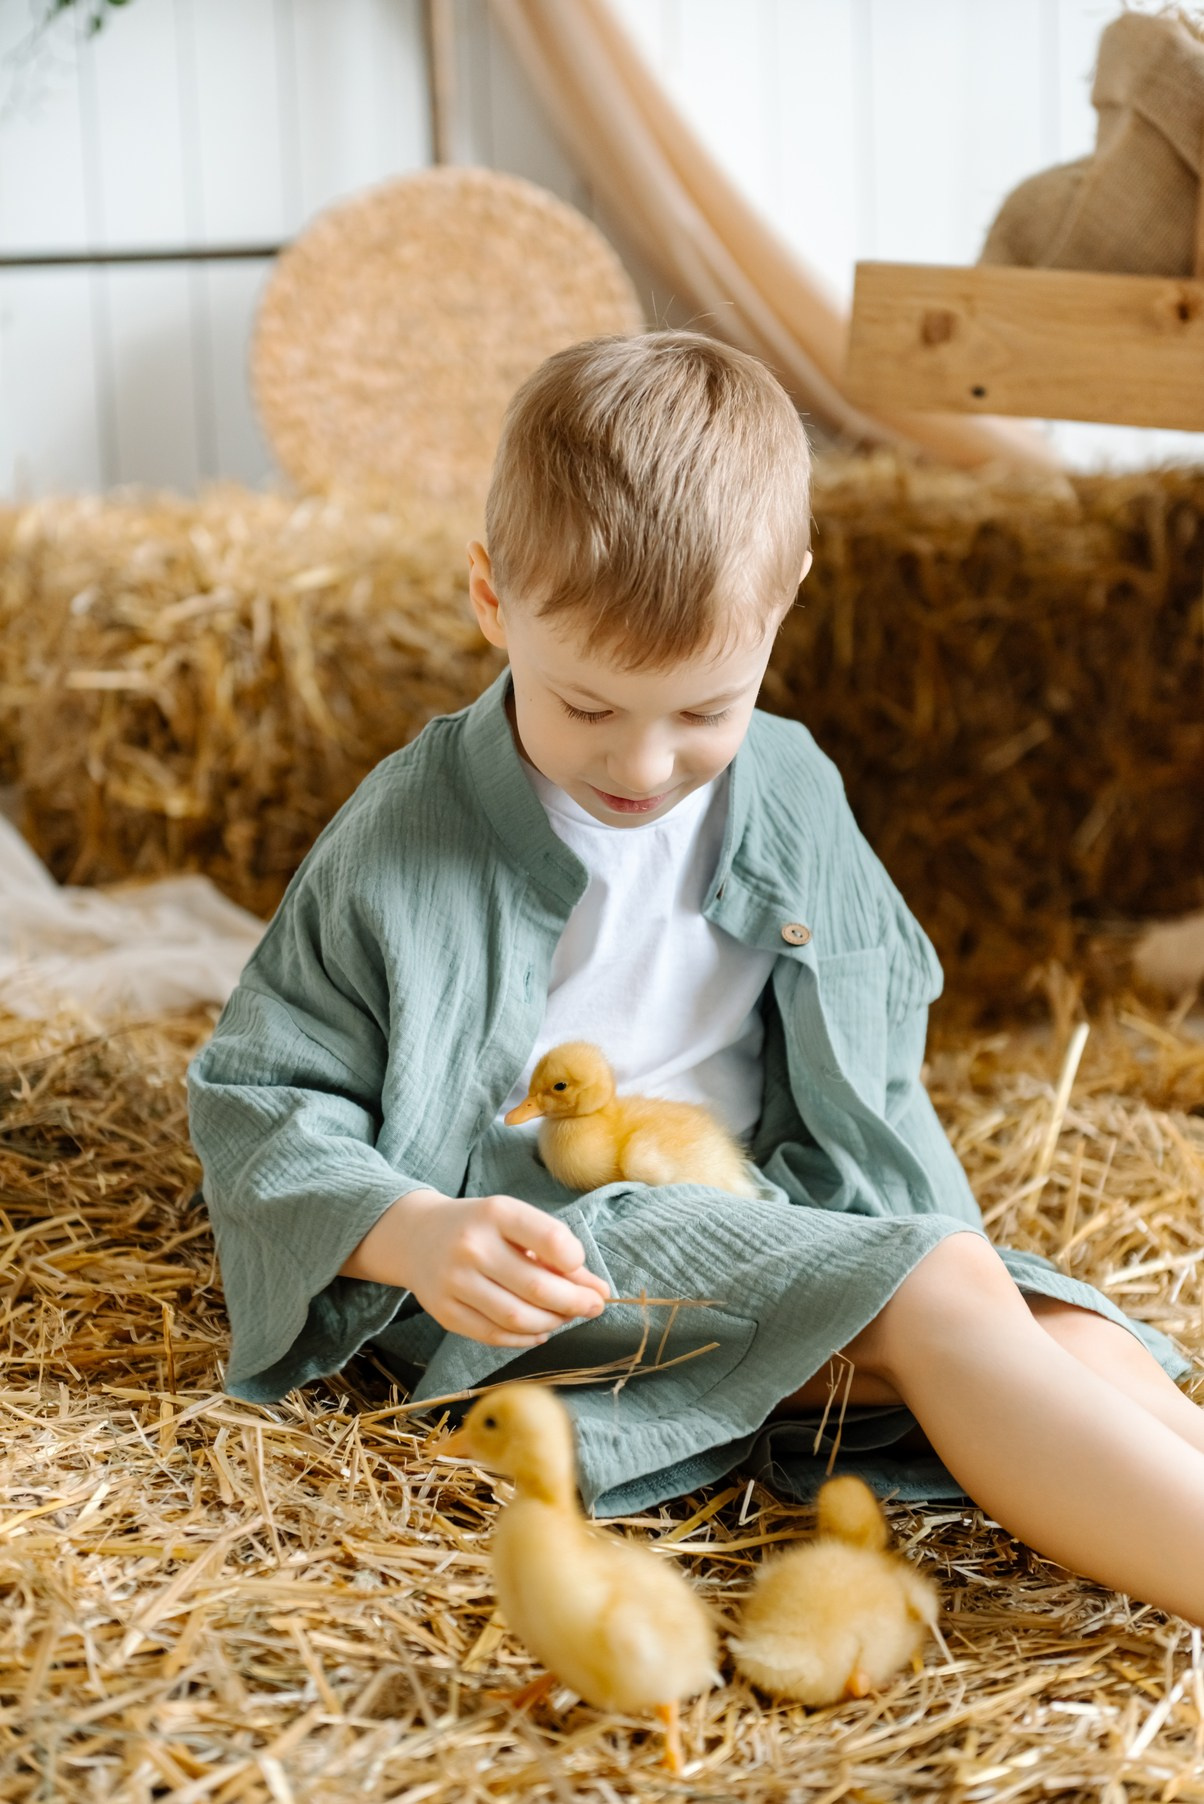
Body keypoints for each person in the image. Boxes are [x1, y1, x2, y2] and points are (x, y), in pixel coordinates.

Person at [188, 331, 1203, 1626]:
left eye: (704, 711)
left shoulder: (786, 786)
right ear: (492, 598)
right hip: (563, 1240)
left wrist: (916, 1227)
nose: (648, 764)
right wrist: (415, 1230)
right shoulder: (406, 834)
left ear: (783, 609)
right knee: (947, 1294)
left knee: (1060, 1325)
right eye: (590, 706)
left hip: (782, 1202)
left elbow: (873, 1052)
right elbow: (259, 1095)